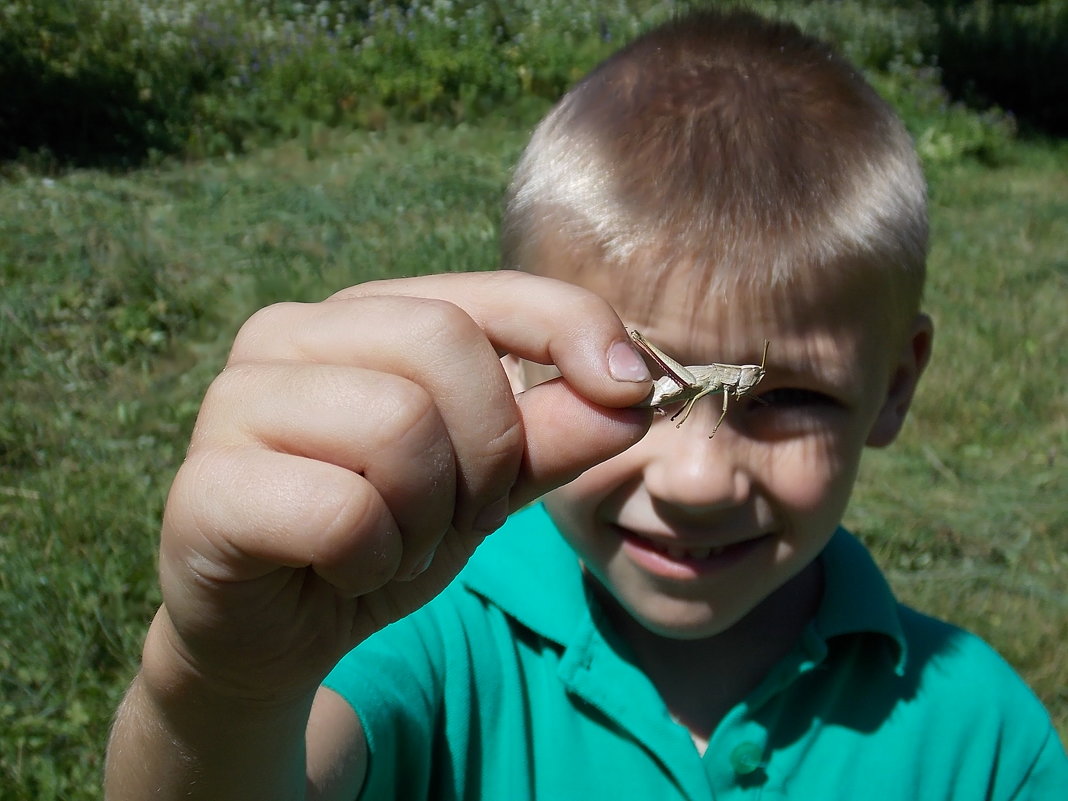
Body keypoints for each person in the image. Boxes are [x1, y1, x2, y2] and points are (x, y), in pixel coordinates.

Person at [105, 10, 1067, 800]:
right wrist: (228, 686)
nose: (696, 478)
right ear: (521, 361)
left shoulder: (984, 740)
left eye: (792, 397)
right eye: (637, 383)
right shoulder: (416, 625)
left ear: (895, 386)